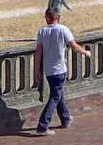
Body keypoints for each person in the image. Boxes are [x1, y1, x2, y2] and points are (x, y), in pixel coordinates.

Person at [34, 7, 91, 135]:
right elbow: (74, 46)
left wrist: (37, 71)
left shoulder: (42, 32)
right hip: (60, 69)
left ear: (47, 18)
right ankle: (42, 125)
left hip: (48, 70)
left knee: (58, 94)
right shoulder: (63, 29)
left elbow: (38, 53)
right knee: (55, 96)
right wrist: (85, 52)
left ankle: (65, 119)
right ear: (58, 17)